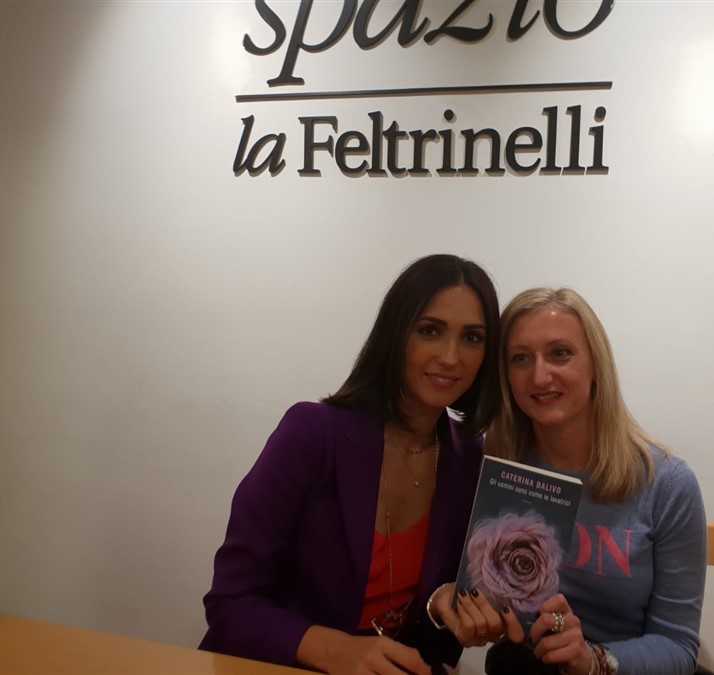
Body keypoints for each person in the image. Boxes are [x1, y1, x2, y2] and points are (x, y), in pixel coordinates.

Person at [199, 254, 503, 674]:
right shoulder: (311, 433)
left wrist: (440, 607)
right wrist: (336, 650)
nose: (451, 357)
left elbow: (429, 638)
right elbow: (231, 603)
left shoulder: (470, 460)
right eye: (430, 331)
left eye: (472, 337)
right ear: (395, 334)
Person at [481, 288, 707, 675]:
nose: (540, 376)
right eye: (520, 358)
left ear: (596, 366)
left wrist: (592, 660)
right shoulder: (498, 463)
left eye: (560, 353)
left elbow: (678, 646)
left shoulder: (667, 484)